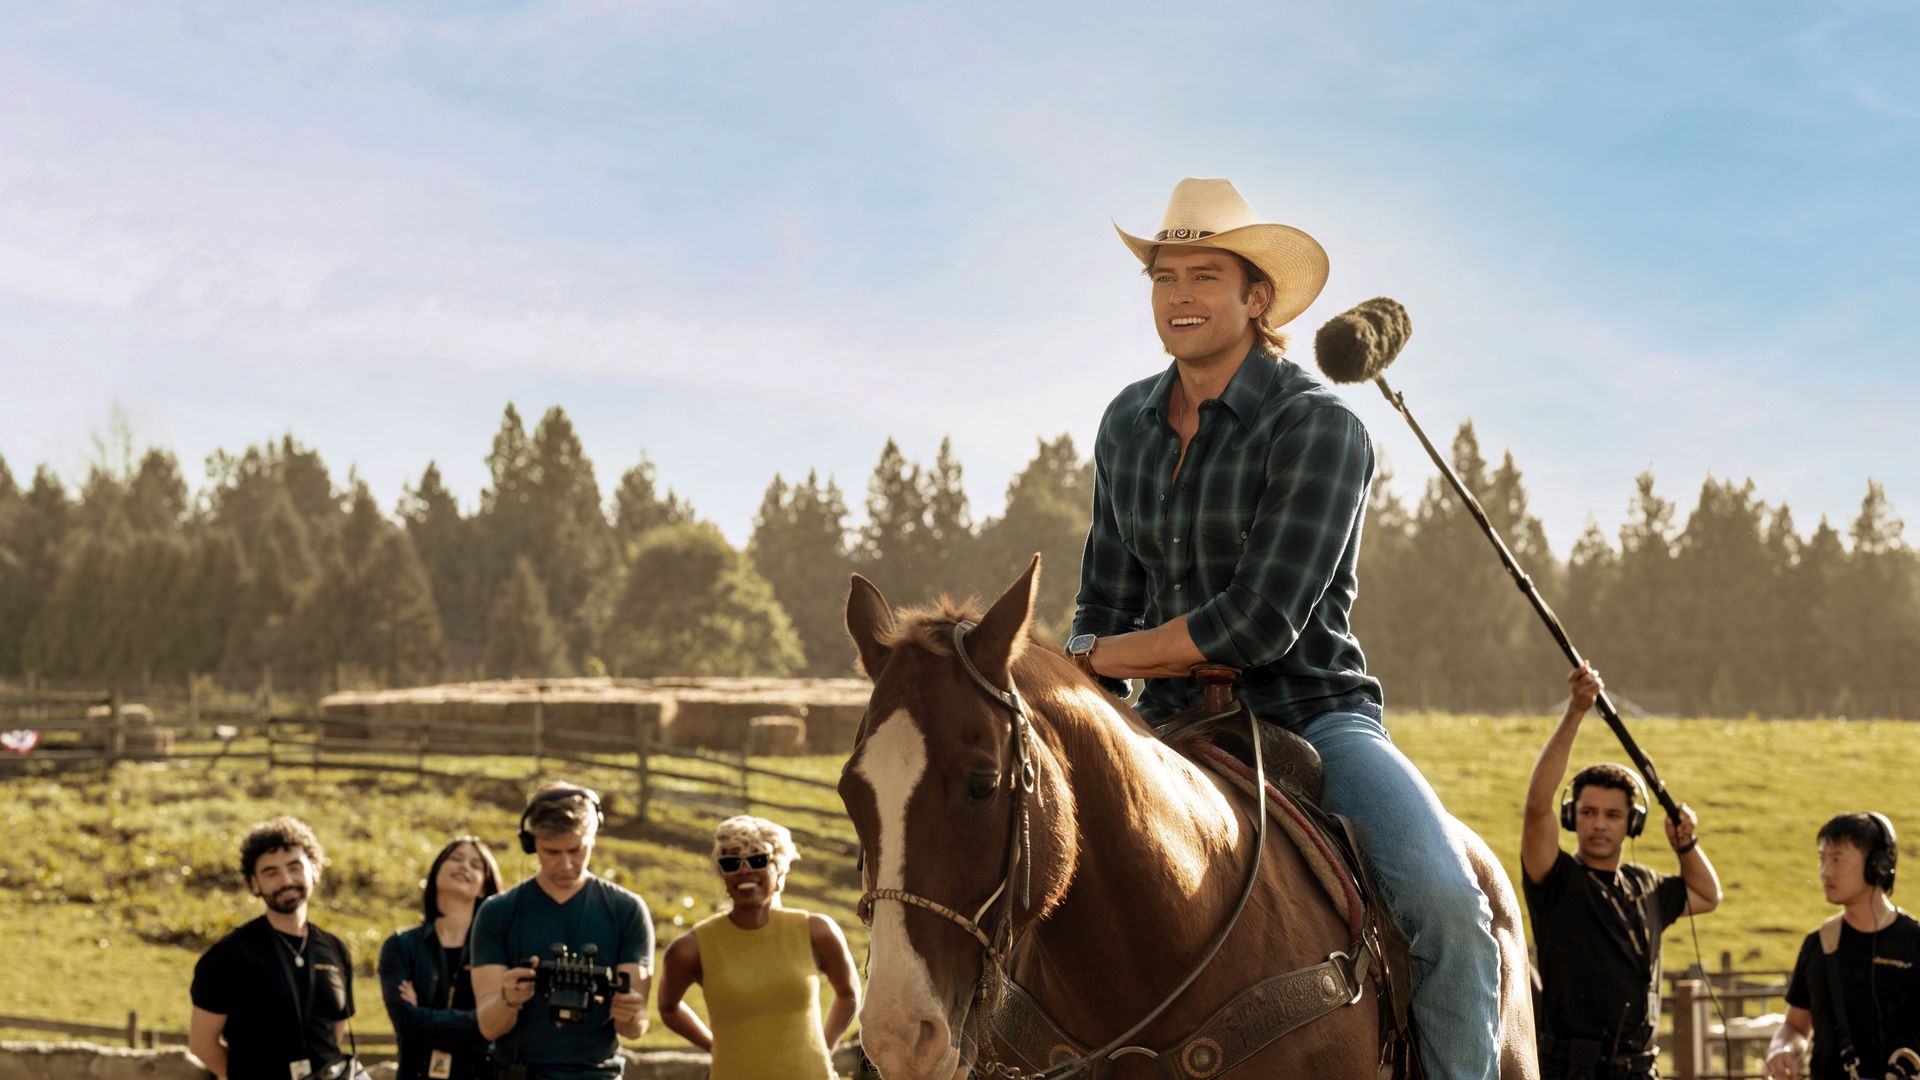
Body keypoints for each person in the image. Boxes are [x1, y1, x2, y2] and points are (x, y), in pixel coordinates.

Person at [1067, 175, 1502, 1079]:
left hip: (1312, 714)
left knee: (1448, 910)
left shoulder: (1320, 425)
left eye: (1203, 277)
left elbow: (1258, 622)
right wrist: (1086, 680)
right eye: (1163, 278)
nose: (1178, 297)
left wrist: (1093, 659)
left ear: (1256, 298)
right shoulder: (1125, 423)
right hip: (1163, 725)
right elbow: (1103, 595)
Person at [1521, 663, 1722, 1079]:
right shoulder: (1555, 879)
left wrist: (1685, 844)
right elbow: (1537, 807)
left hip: (1640, 1069)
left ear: (1632, 823)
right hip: (1572, 1070)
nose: (1598, 824)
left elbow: (1707, 895)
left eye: (1613, 815)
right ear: (1573, 816)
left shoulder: (1645, 886)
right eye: (1589, 812)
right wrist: (1576, 712)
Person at [471, 782, 653, 1079]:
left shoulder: (627, 909)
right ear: (531, 844)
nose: (566, 864)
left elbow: (633, 1029)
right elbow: (489, 1026)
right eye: (551, 851)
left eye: (576, 849)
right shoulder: (498, 912)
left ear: (593, 837)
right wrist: (508, 999)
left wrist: (633, 1013)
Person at [656, 816, 860, 1080]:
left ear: (780, 869)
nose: (744, 871)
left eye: (757, 860)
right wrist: (714, 1046)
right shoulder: (690, 948)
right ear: (722, 874)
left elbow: (849, 994)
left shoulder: (817, 931)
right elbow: (668, 1007)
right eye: (731, 863)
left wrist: (823, 1048)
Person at [189, 816, 360, 1080]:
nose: (286, 880)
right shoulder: (227, 956)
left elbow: (333, 1032)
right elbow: (202, 1044)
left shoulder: (335, 948)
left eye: (294, 867)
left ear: (314, 870)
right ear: (254, 884)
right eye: (271, 872)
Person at [1767, 813, 1920, 1080]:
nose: (1825, 871)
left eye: (1837, 859)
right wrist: (1781, 1049)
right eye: (1822, 859)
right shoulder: (1819, 945)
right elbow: (1795, 1026)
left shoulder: (1915, 941)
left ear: (1878, 864)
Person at [379, 835, 504, 1079]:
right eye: (455, 859)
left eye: (475, 865)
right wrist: (479, 1019)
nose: (464, 866)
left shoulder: (498, 949)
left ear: (483, 887)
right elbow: (406, 1023)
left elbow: (499, 1027)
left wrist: (423, 1015)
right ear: (436, 872)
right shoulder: (400, 945)